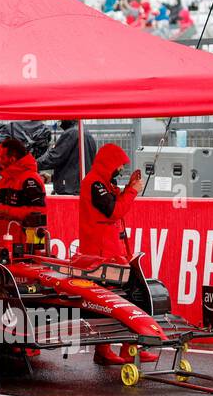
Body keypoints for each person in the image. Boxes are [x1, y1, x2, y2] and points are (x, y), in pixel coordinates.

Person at [78, 144, 147, 366]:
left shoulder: (102, 183)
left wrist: (126, 188)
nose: (120, 169)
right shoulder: (94, 183)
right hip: (101, 253)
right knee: (109, 302)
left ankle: (130, 347)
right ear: (109, 163)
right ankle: (109, 349)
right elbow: (114, 211)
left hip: (111, 251)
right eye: (119, 165)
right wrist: (132, 190)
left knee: (125, 298)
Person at [0, 138, 47, 244]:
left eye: (2, 157)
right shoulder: (2, 181)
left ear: (12, 159)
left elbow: (39, 213)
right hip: (0, 244)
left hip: (24, 246)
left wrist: (6, 211)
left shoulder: (30, 179)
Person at [37, 120, 97, 195]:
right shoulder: (87, 134)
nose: (60, 122)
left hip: (70, 189)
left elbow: (54, 157)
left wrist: (31, 164)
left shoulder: (71, 133)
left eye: (62, 119)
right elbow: (75, 164)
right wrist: (52, 178)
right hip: (80, 187)